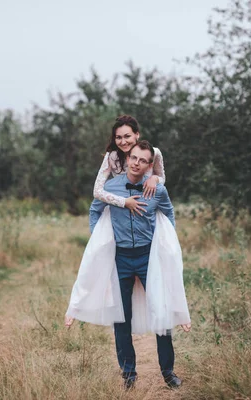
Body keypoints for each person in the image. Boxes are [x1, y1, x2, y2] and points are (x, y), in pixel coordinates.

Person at [67, 140, 191, 389]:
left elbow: (168, 213)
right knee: (121, 319)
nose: (137, 163)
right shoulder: (110, 187)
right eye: (133, 158)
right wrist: (99, 241)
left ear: (149, 165)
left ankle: (168, 373)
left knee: (161, 312)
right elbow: (94, 210)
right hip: (120, 258)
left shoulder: (157, 190)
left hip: (148, 258)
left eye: (143, 160)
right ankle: (129, 376)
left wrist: (168, 245)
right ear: (128, 158)